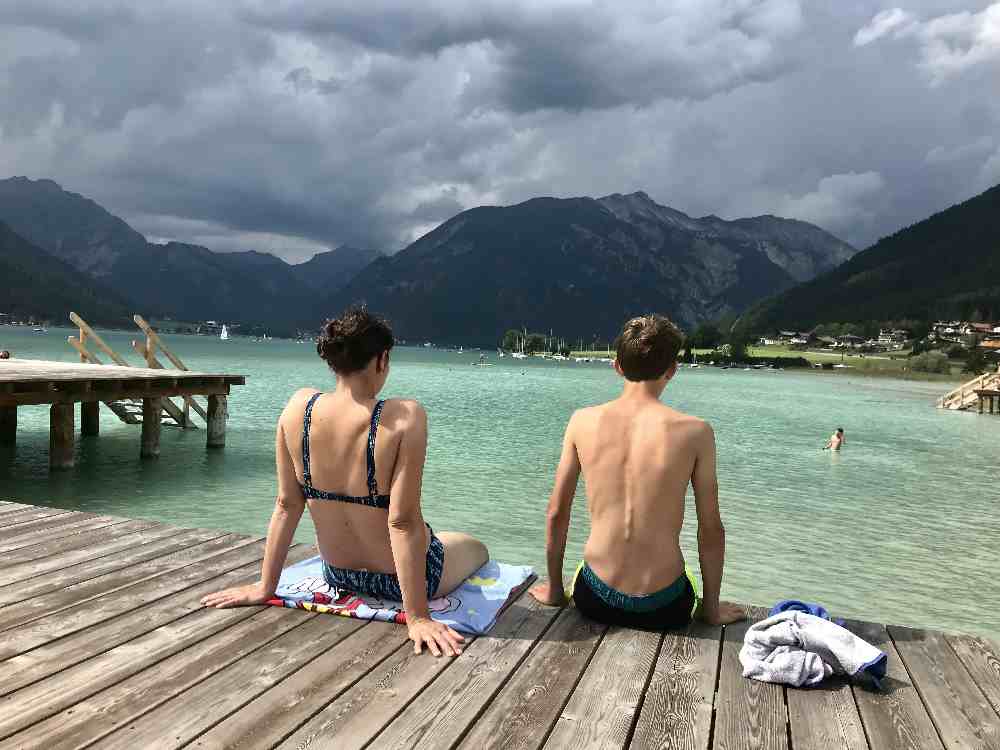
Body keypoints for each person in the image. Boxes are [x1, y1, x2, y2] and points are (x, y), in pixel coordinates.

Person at [202, 306, 489, 657]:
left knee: (441, 538)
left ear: (333, 360)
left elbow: (287, 505)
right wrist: (416, 617)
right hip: (407, 581)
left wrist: (265, 587)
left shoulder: (298, 408)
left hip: (339, 575)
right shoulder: (404, 416)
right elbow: (401, 521)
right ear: (382, 359)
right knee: (475, 547)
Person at [530, 314, 745, 629]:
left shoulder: (581, 421)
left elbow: (556, 513)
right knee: (688, 587)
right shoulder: (696, 432)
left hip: (594, 598)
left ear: (617, 366)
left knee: (583, 571)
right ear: (672, 370)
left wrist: (554, 590)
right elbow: (711, 529)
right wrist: (710, 610)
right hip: (666, 605)